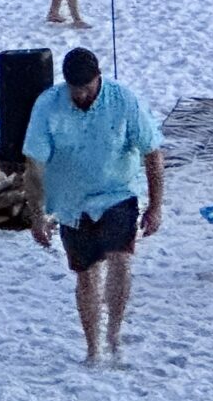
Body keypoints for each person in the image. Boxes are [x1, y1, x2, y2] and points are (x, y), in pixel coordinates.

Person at [23, 47, 165, 364]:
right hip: (72, 202)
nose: (81, 94)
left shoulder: (124, 100)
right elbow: (33, 167)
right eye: (75, 89)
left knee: (120, 260)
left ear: (98, 78)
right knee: (86, 275)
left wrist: (155, 206)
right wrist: (37, 215)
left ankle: (114, 334)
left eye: (86, 88)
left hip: (117, 192)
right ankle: (93, 347)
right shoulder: (48, 105)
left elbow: (153, 154)